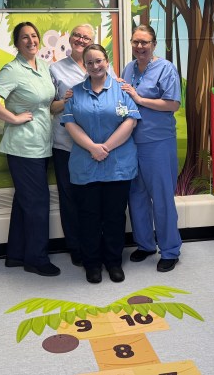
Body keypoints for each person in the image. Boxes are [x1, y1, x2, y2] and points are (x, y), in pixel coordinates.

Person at [0, 21, 59, 277]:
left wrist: (65, 102)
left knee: (25, 201)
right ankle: (36, 259)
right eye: (24, 37)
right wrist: (12, 118)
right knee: (37, 202)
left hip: (41, 143)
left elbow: (46, 104)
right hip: (24, 147)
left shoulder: (43, 66)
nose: (31, 40)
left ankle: (15, 254)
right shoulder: (13, 69)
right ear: (17, 43)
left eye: (34, 36)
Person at [61, 44, 140, 284]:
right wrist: (93, 148)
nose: (95, 66)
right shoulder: (74, 92)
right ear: (84, 66)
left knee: (115, 216)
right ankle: (92, 264)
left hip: (118, 164)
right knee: (88, 217)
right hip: (86, 164)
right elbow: (70, 124)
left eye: (99, 61)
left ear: (107, 61)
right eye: (90, 63)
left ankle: (114, 262)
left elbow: (130, 121)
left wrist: (106, 147)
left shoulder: (123, 90)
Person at [120, 24, 183, 272]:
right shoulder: (128, 68)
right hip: (131, 142)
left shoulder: (165, 68)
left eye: (144, 42)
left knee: (162, 198)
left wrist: (139, 99)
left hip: (157, 143)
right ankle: (145, 244)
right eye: (136, 41)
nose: (139, 46)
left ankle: (169, 250)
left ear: (154, 44)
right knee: (136, 196)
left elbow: (173, 104)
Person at [49, 24, 105, 267]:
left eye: (87, 37)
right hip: (66, 146)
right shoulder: (56, 69)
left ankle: (96, 244)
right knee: (70, 198)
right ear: (69, 39)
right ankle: (76, 246)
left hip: (97, 146)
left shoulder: (103, 66)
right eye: (77, 35)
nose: (81, 40)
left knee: (95, 197)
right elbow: (51, 107)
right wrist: (67, 99)